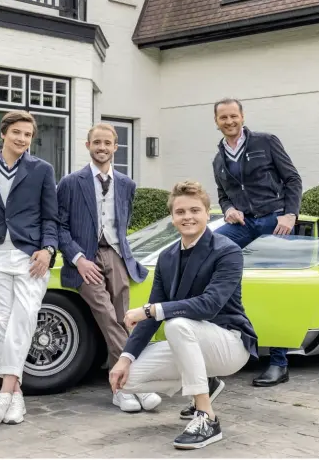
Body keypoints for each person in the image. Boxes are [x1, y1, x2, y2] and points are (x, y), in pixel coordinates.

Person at [109, 181, 258, 450]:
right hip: (191, 342)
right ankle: (206, 383)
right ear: (172, 217)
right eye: (180, 212)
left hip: (229, 343)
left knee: (177, 324)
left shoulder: (227, 251)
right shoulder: (167, 258)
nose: (187, 217)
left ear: (206, 213)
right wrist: (124, 358)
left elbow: (209, 305)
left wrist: (149, 310)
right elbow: (152, 316)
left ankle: (206, 417)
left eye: (194, 210)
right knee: (126, 381)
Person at [57, 123, 161, 413]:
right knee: (105, 312)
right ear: (88, 146)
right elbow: (59, 226)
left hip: (115, 254)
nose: (102, 147)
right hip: (84, 258)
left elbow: (121, 224)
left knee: (122, 316)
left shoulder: (127, 184)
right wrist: (78, 258)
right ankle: (133, 382)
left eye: (108, 143)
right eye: (97, 142)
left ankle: (120, 387)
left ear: (116, 147)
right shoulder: (70, 182)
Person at [0, 111, 58, 425]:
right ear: (3, 134)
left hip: (31, 259)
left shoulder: (42, 170)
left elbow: (50, 218)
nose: (22, 139)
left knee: (23, 318)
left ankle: (5, 392)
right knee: (3, 324)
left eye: (28, 135)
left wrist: (47, 250)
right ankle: (15, 399)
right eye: (17, 133)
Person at [211, 97, 302, 387]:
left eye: (233, 116)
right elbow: (223, 194)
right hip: (243, 224)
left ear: (242, 116)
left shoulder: (266, 142)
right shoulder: (218, 158)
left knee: (276, 287)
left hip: (274, 219)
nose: (229, 122)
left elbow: (293, 179)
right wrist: (228, 210)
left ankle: (279, 362)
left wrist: (289, 215)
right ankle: (226, 341)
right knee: (209, 250)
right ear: (217, 122)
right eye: (223, 118)